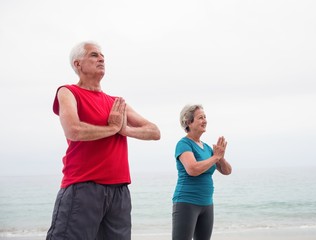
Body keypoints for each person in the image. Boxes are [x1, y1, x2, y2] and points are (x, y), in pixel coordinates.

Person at [46, 41, 161, 240]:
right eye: (93, 55)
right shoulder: (68, 92)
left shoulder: (116, 103)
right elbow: (73, 130)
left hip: (119, 191)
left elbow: (154, 131)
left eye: (102, 56)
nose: (101, 58)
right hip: (83, 187)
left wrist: (123, 130)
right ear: (78, 64)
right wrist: (111, 129)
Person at [172, 104, 232, 240]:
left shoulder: (207, 148)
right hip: (186, 202)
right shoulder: (183, 144)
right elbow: (192, 169)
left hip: (207, 204)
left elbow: (227, 171)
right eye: (200, 118)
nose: (205, 120)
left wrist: (220, 157)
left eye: (205, 117)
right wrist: (215, 157)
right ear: (188, 122)